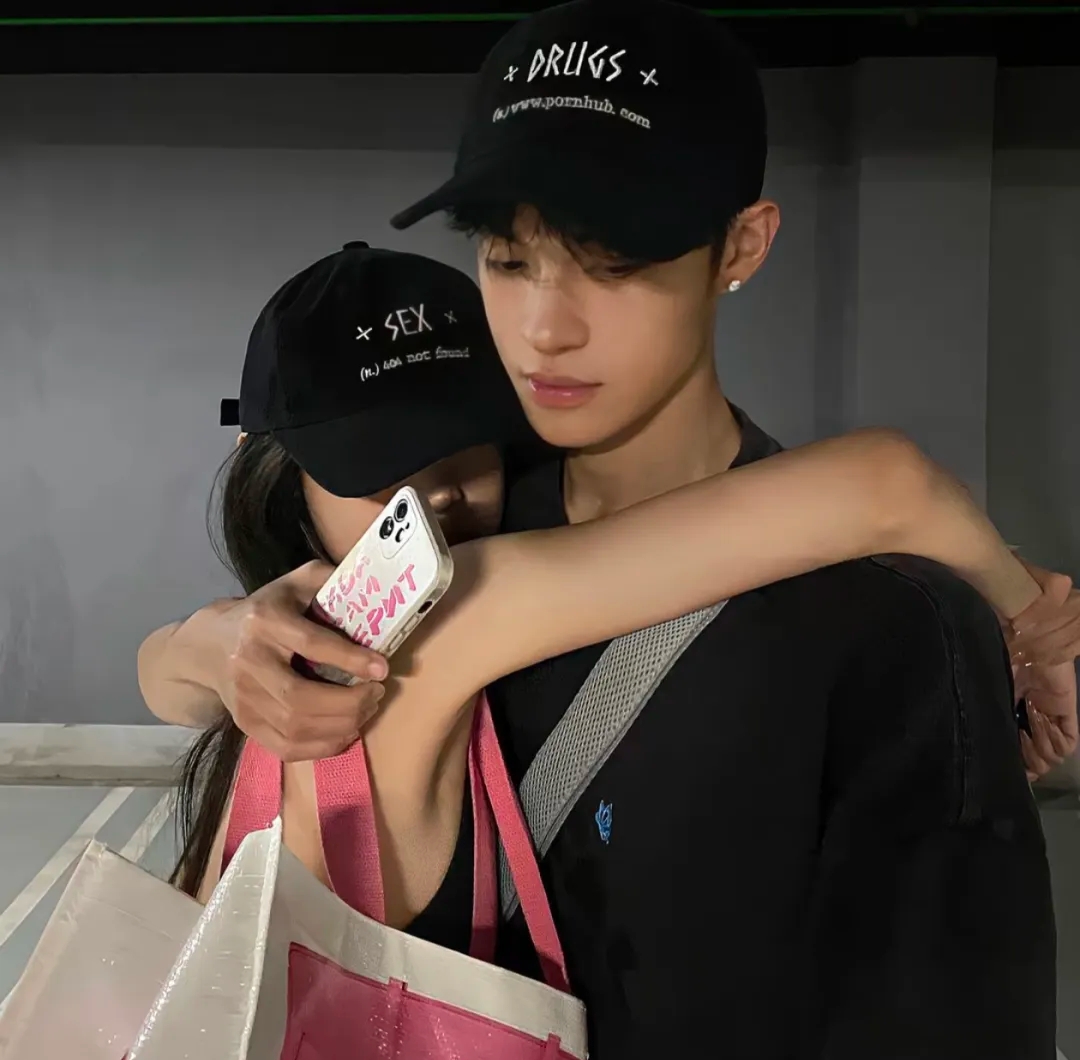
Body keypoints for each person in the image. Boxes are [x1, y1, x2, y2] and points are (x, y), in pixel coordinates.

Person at [142, 5, 1077, 1060]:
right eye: (507, 258)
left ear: (742, 245)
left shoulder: (891, 625)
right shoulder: (448, 534)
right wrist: (210, 643)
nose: (546, 329)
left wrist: (1019, 619)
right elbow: (888, 479)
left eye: (615, 261)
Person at [168, 239, 1048, 935]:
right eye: (378, 475)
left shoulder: (266, 653)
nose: (433, 503)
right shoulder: (440, 621)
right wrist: (1039, 622)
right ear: (275, 476)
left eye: (467, 454)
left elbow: (167, 683)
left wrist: (199, 644)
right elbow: (889, 483)